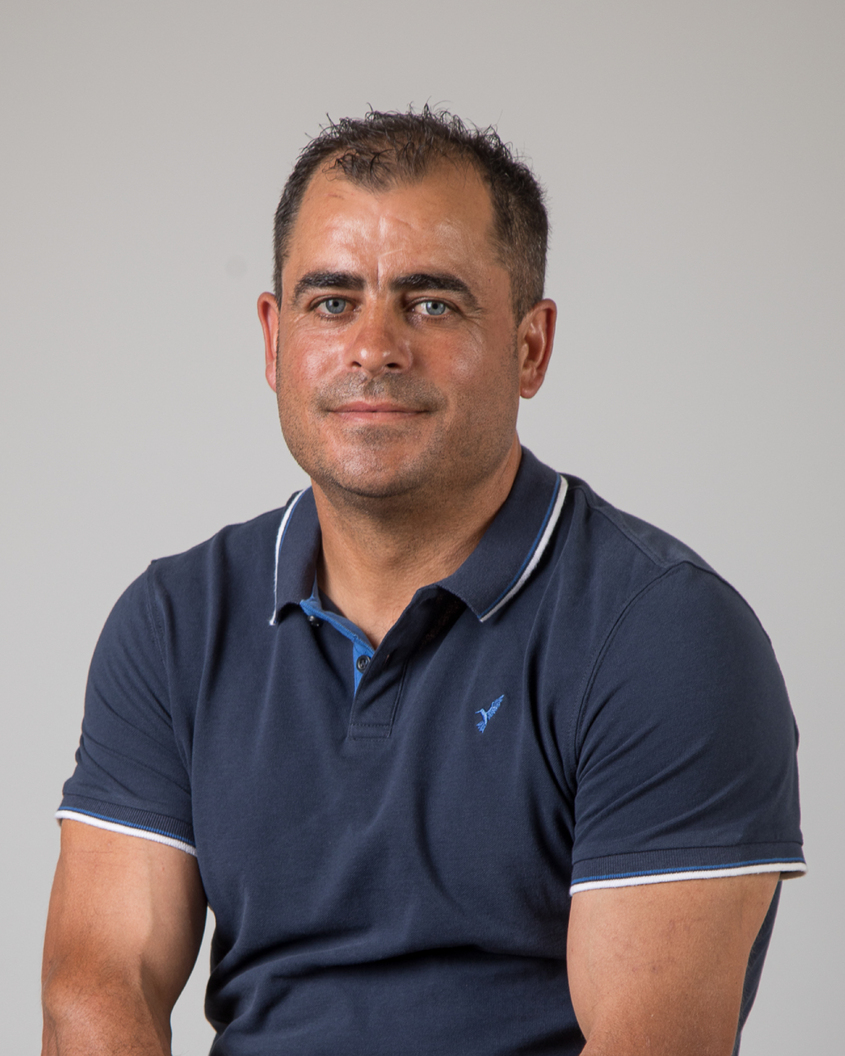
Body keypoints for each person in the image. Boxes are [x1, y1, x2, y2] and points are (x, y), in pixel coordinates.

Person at [41, 108, 804, 1056]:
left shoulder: (662, 634)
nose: (374, 348)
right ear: (273, 340)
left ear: (529, 348)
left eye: (432, 304)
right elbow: (97, 984)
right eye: (332, 302)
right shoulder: (175, 621)